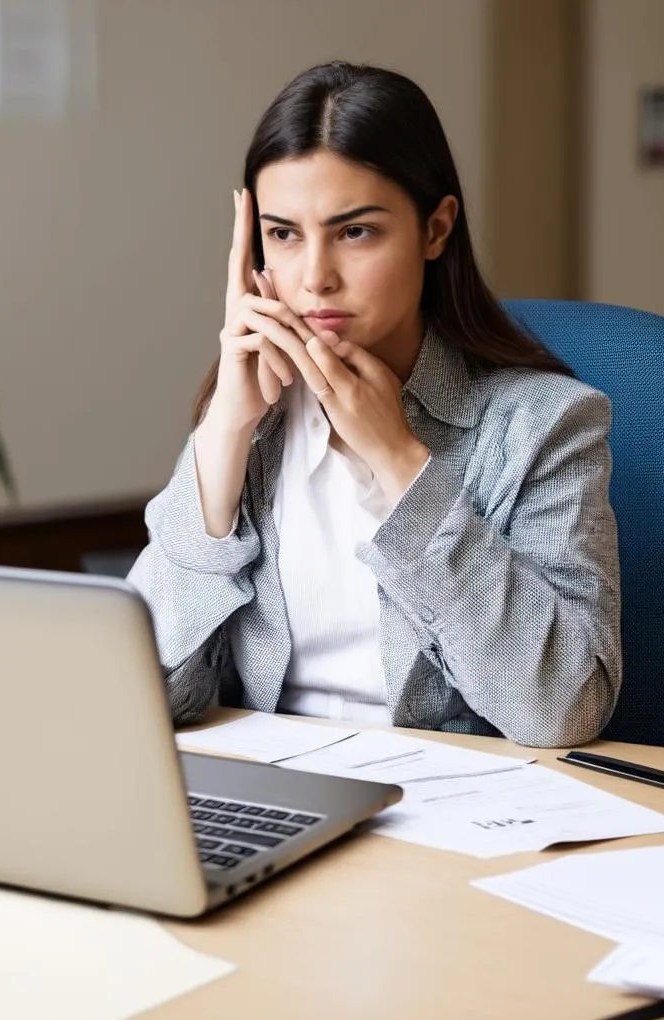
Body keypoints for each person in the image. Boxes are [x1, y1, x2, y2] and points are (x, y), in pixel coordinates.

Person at [127, 61, 621, 747]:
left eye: (355, 232)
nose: (314, 278)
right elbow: (142, 698)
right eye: (284, 234)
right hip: (281, 800)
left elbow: (562, 710)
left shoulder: (543, 424)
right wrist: (223, 435)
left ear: (436, 228)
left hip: (456, 816)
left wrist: (400, 462)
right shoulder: (248, 420)